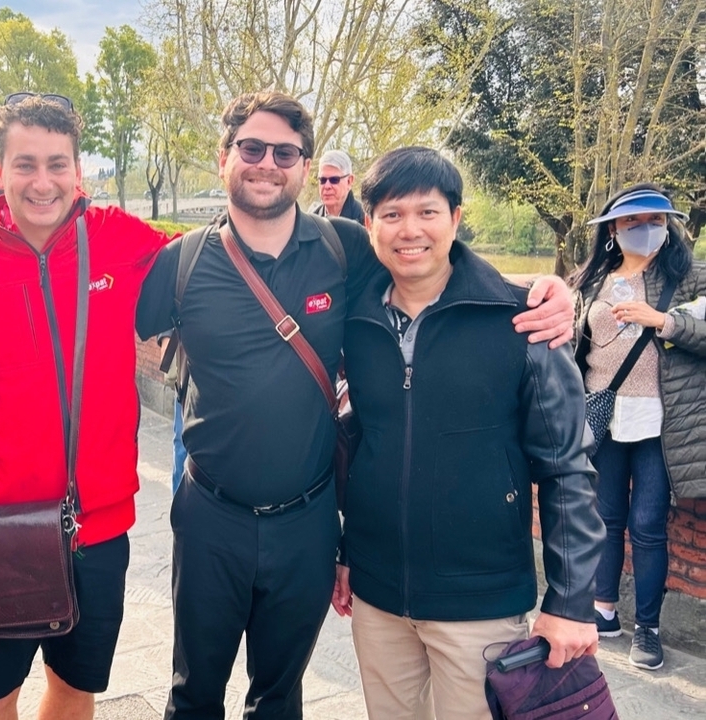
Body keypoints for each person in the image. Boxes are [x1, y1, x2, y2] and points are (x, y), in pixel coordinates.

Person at [134, 92, 576, 720]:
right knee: (193, 696)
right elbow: (94, 319)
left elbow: (430, 260)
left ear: (304, 166)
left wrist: (542, 292)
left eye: (284, 152)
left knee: (280, 697)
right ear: (223, 156)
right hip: (212, 517)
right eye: (251, 148)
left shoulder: (347, 250)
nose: (266, 163)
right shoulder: (181, 264)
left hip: (307, 521)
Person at [331, 146, 604, 718]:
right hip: (378, 596)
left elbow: (566, 466)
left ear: (456, 219)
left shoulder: (520, 322)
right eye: (392, 214)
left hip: (479, 601)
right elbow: (362, 442)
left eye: (427, 212)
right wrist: (346, 551)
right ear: (370, 223)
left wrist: (572, 600)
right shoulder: (354, 322)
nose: (410, 230)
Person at [0, 93, 172, 720]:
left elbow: (216, 266)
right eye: (25, 164)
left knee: (74, 690)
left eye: (57, 164)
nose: (43, 182)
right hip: (1, 526)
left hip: (99, 523)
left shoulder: (123, 242)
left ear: (78, 170)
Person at [572, 183, 706, 671]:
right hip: (602, 413)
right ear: (613, 228)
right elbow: (572, 341)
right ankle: (603, 612)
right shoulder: (592, 278)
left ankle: (647, 628)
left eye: (654, 220)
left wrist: (663, 321)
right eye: (632, 222)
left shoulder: (690, 277)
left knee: (647, 525)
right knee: (604, 519)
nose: (644, 229)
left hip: (661, 420)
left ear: (668, 224)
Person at [309, 149, 366, 225]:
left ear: (349, 181)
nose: (327, 186)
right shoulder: (311, 220)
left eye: (334, 180)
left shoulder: (365, 220)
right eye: (323, 180)